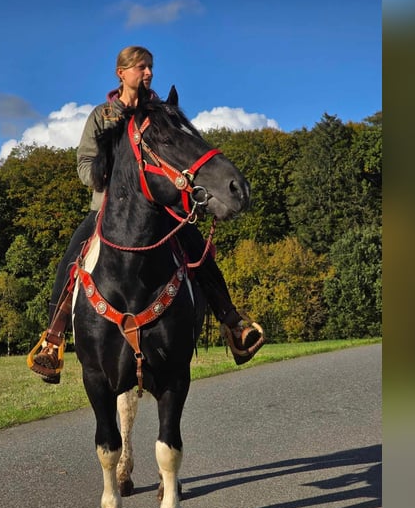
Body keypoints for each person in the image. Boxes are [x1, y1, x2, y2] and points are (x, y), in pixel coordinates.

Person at [29, 46, 264, 384]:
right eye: (140, 67)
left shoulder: (161, 114)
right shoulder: (101, 115)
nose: (148, 73)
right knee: (71, 258)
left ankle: (234, 324)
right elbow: (83, 165)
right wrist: (110, 172)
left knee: (199, 252)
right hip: (107, 210)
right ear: (121, 73)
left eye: (150, 67)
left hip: (160, 208)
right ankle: (52, 340)